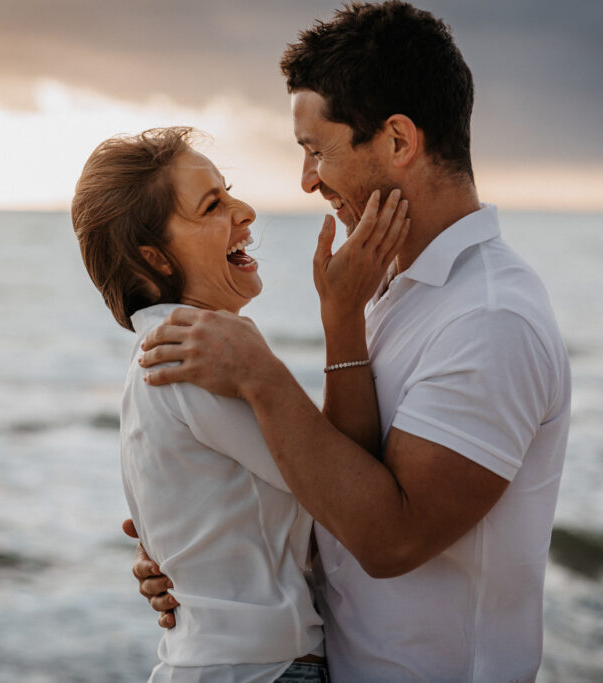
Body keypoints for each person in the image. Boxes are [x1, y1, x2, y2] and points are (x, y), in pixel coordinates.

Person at [130, 2, 571, 681]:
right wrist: (208, 549)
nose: (307, 180)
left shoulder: (489, 319)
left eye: (316, 150)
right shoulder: (395, 292)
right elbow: (335, 488)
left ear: (398, 141)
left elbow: (389, 538)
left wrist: (262, 376)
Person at [72, 127, 408, 682]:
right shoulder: (191, 358)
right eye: (213, 205)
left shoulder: (169, 353)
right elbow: (346, 488)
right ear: (155, 259)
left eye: (228, 191)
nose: (245, 210)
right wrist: (342, 314)